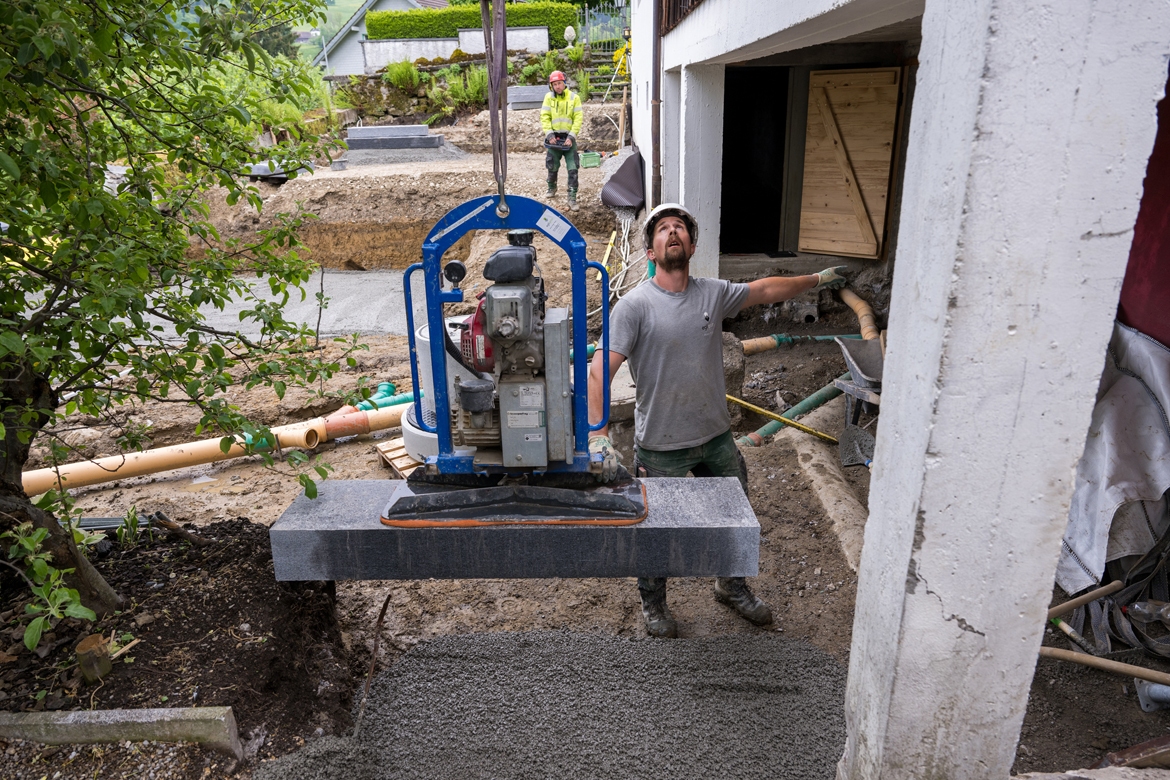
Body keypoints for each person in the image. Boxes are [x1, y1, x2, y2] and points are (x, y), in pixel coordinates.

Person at [586, 203, 849, 638]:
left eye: (680, 228)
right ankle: (654, 602)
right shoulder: (634, 307)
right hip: (661, 446)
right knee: (656, 527)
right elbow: (598, 371)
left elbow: (765, 289)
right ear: (650, 251)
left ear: (692, 246)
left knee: (735, 514)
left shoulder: (712, 293)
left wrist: (817, 279)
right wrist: (597, 432)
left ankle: (731, 586)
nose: (673, 232)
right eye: (663, 229)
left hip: (715, 437)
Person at [540, 70, 583, 211]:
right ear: (551, 86)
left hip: (568, 139)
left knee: (573, 168)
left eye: (559, 83)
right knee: (551, 165)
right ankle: (551, 188)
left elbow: (578, 118)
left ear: (564, 83)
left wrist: (572, 136)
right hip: (554, 139)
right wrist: (549, 134)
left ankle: (572, 197)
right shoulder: (548, 98)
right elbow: (545, 117)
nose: (557, 86)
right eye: (554, 84)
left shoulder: (574, 98)